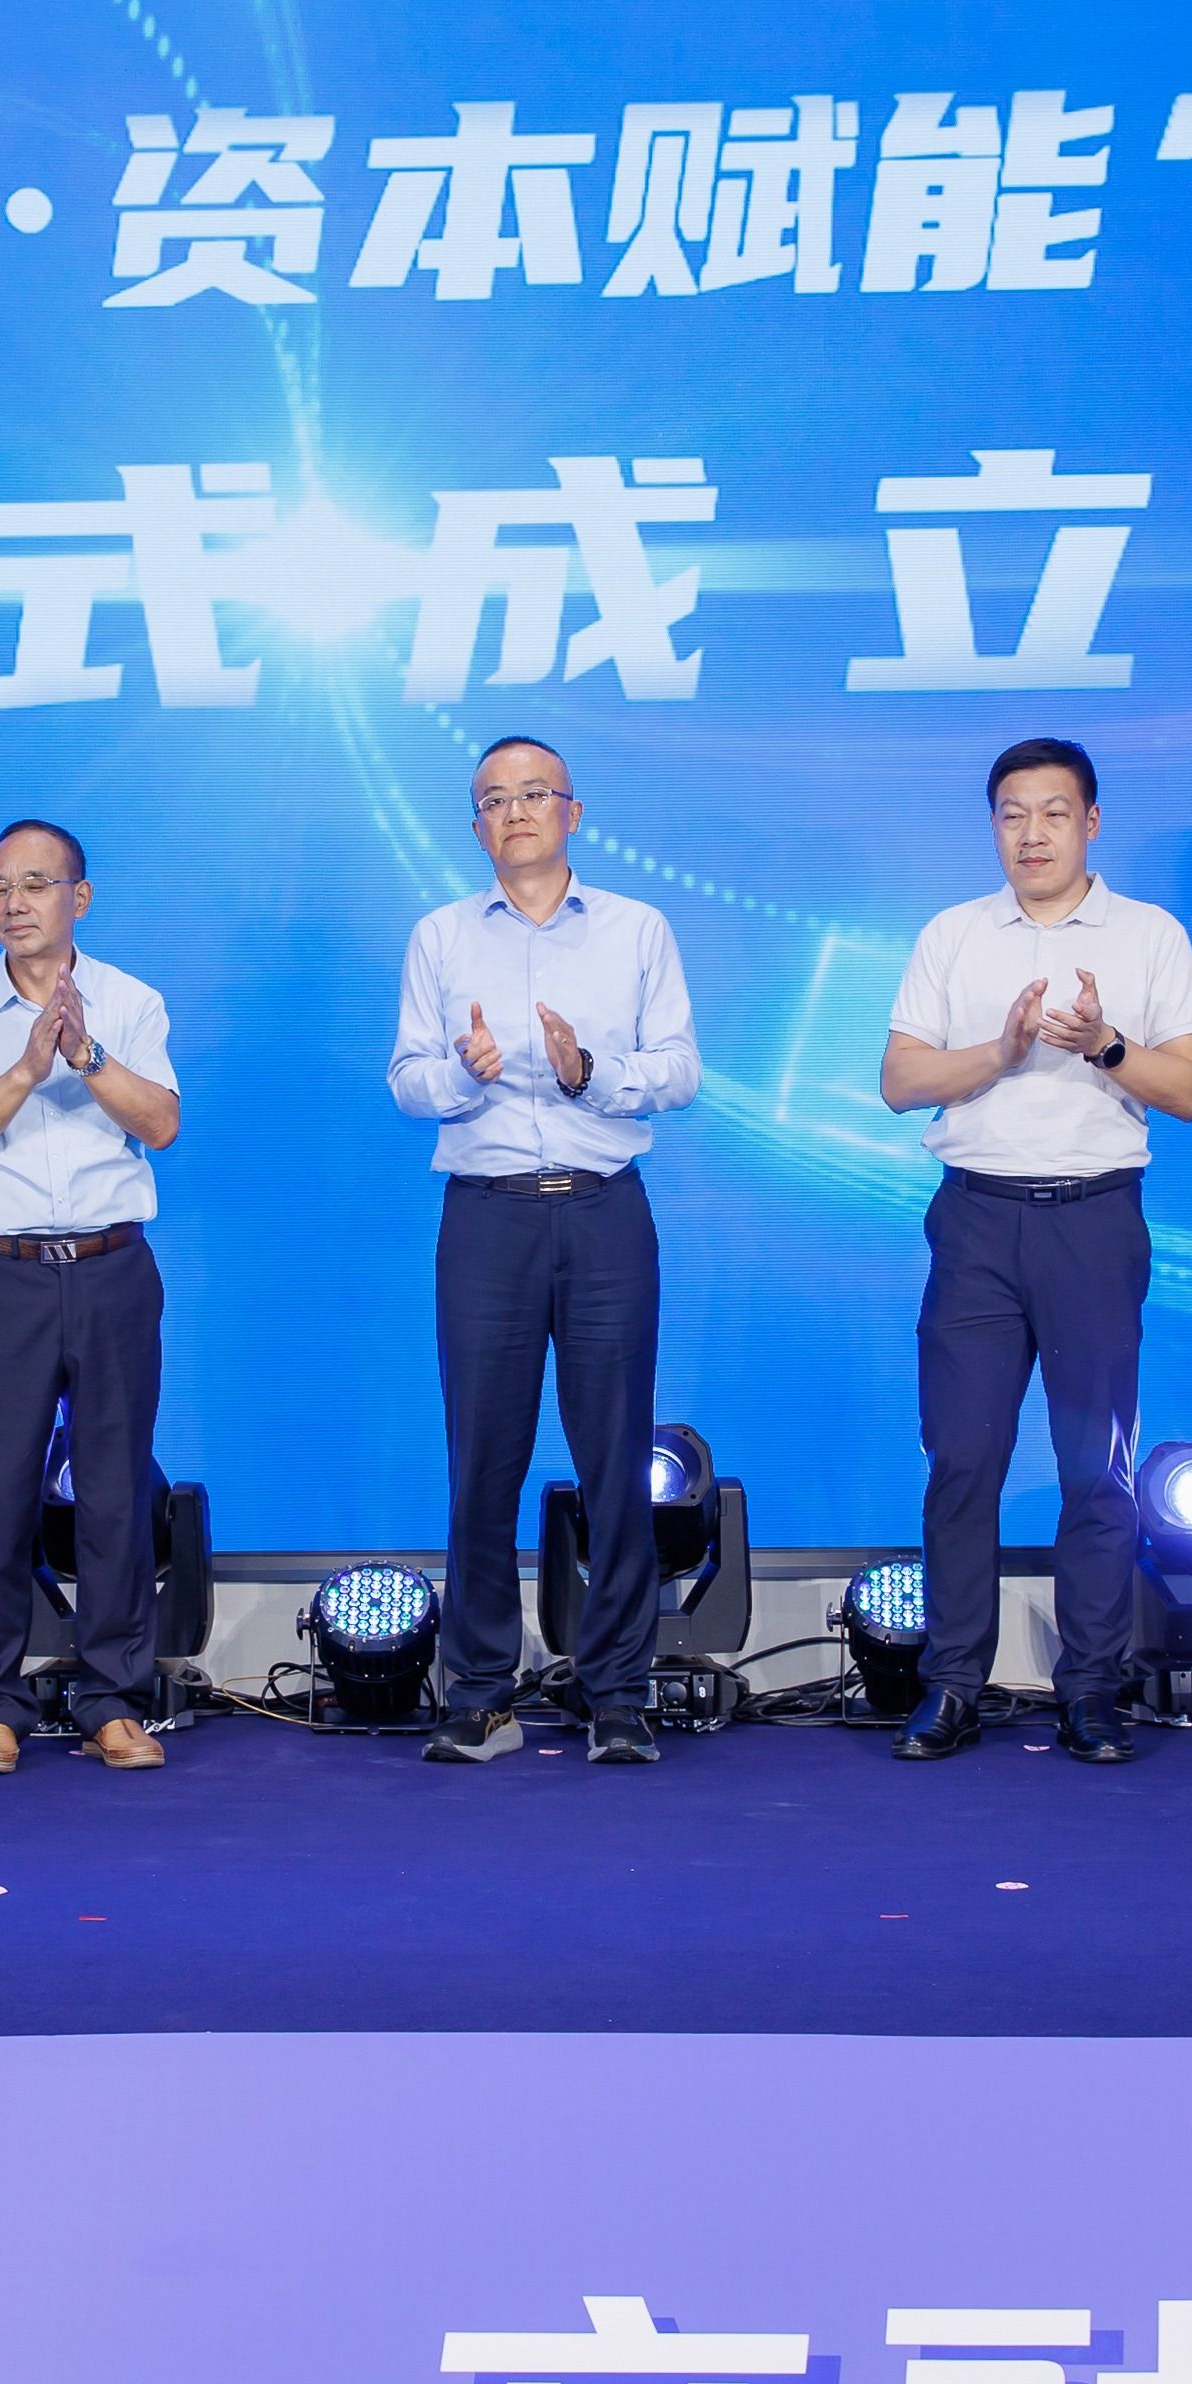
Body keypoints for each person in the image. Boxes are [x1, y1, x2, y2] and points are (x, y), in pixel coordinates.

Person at [876, 737, 1192, 1761]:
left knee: (1095, 1469)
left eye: (1053, 813)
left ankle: (1092, 1687)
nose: (1031, 834)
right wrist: (1001, 1051)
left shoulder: (1149, 935)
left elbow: (1188, 1090)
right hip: (976, 1221)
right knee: (961, 1458)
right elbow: (899, 1081)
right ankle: (952, 1683)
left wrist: (1104, 1045)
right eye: (1012, 814)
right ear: (993, 826)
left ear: (1091, 823)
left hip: (1093, 1222)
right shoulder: (953, 934)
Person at [384, 734, 701, 1765]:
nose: (514, 812)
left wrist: (586, 1070)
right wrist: (463, 1075)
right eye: (493, 800)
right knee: (482, 1461)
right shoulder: (439, 936)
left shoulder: (636, 928)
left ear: (573, 811)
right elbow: (406, 1080)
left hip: (604, 1212)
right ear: (474, 826)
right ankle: (481, 1690)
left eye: (533, 794)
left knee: (616, 1458)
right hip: (487, 1218)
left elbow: (680, 1069)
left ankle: (617, 1691)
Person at [0, 818, 181, 1775]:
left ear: (80, 896)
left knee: (115, 1490)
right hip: (0, 1274)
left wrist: (85, 1054)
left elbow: (163, 1122)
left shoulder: (133, 1001)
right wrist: (27, 1067)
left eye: (35, 883)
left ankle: (112, 1696)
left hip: (112, 1267)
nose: (14, 903)